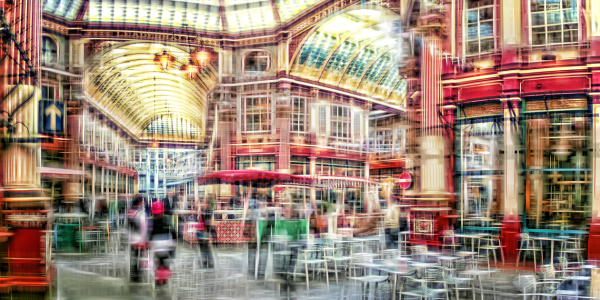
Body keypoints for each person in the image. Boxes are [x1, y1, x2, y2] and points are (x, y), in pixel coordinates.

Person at [150, 201, 175, 285]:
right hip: (166, 246)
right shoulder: (167, 220)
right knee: (165, 259)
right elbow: (173, 233)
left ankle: (159, 277)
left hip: (157, 247)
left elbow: (150, 235)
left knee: (159, 260)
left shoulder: (152, 222)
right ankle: (165, 275)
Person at [128, 194, 147, 283]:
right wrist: (144, 238)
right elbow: (143, 227)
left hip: (132, 239)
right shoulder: (141, 213)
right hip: (139, 239)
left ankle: (133, 275)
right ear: (140, 202)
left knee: (134, 257)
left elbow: (128, 227)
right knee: (140, 257)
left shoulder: (130, 211)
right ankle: (138, 276)